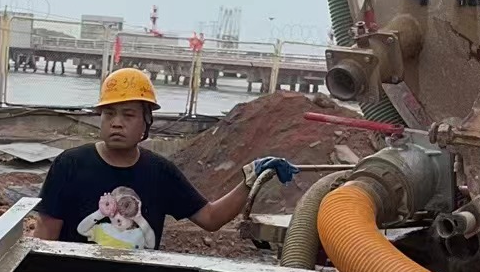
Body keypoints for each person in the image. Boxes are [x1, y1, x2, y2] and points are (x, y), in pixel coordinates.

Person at [33, 68, 295, 251]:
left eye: (128, 115)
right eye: (109, 114)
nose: (117, 123)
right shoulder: (70, 165)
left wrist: (250, 179)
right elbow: (46, 235)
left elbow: (210, 218)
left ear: (147, 121)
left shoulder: (159, 172)